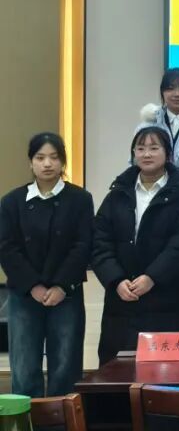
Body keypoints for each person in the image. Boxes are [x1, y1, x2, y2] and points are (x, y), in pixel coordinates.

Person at [92, 127, 179, 364]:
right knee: (119, 371)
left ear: (168, 154)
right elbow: (100, 242)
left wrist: (152, 277)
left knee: (166, 372)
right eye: (140, 148)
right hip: (123, 300)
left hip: (167, 299)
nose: (146, 154)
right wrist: (116, 280)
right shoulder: (117, 194)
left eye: (154, 148)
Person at [0, 133, 93, 397]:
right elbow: (6, 248)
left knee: (65, 364)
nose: (47, 164)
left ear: (63, 161)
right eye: (40, 157)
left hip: (66, 294)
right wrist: (33, 286)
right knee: (24, 366)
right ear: (31, 162)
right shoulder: (12, 201)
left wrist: (61, 285)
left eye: (54, 157)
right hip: (24, 295)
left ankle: (62, 417)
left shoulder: (80, 199)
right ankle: (26, 417)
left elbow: (83, 245)